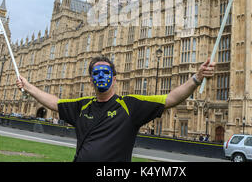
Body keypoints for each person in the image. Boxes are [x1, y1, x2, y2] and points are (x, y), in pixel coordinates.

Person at [16, 55, 215, 162]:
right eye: (97, 73)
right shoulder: (82, 106)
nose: (101, 76)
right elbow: (54, 103)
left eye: (106, 72)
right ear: (91, 80)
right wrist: (28, 87)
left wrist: (196, 78)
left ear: (114, 78)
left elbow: (170, 98)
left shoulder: (130, 106)